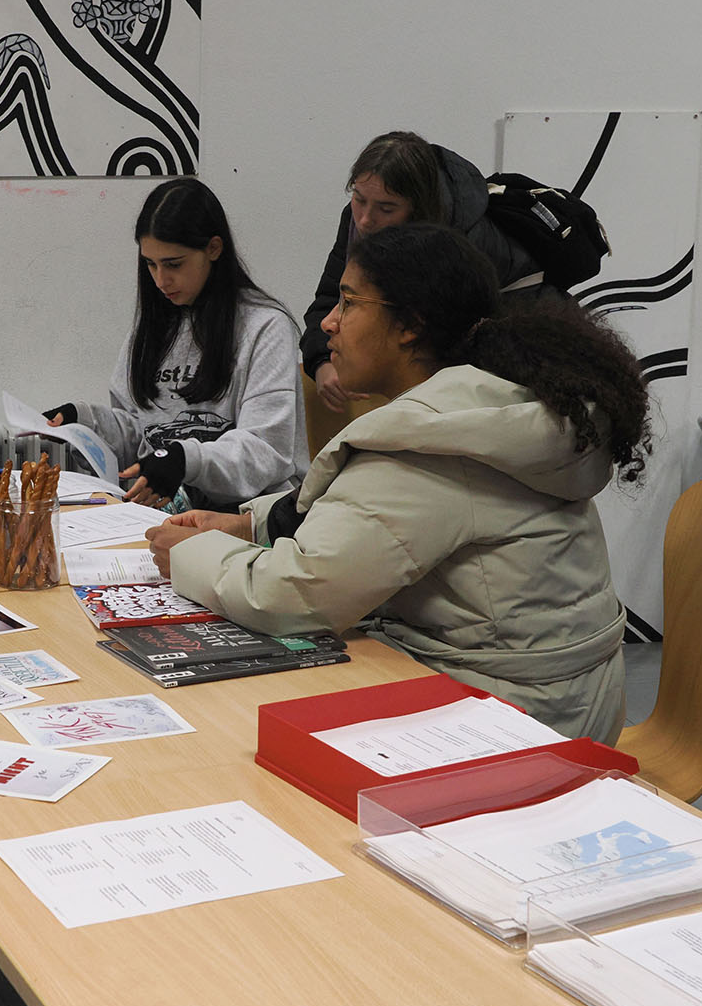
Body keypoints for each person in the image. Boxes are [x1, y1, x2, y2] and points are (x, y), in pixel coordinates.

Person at [148, 224, 649, 744]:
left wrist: (190, 552)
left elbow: (289, 594)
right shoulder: (491, 405)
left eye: (349, 302)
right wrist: (249, 524)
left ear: (409, 325)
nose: (328, 323)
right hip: (570, 700)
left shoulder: (433, 443)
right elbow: (362, 509)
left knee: (232, 727)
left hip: (516, 723)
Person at [42, 178, 307, 512]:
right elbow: (143, 434)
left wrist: (185, 460)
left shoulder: (265, 326)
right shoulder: (156, 324)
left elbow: (265, 451)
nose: (160, 280)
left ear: (214, 249)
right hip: (165, 514)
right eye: (150, 264)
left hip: (247, 517)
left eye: (173, 264)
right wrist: (84, 422)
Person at [302, 131, 542, 414]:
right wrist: (322, 360)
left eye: (386, 209)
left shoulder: (460, 247)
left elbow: (465, 348)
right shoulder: (359, 223)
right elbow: (331, 298)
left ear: (418, 209)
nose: (365, 220)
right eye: (358, 198)